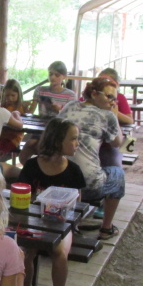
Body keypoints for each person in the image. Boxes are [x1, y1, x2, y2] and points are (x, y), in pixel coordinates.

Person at [17, 118, 85, 286]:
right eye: (73, 139)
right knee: (25, 252)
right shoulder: (32, 166)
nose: (77, 143)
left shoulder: (73, 170)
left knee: (59, 253)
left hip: (61, 224)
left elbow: (77, 206)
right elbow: (22, 197)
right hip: (34, 221)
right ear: (57, 141)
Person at [58, 76, 125, 240]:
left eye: (114, 99)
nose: (112, 102)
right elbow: (118, 142)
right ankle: (106, 228)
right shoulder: (107, 116)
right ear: (94, 94)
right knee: (118, 174)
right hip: (88, 186)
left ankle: (74, 221)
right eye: (109, 97)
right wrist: (115, 116)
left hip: (56, 179)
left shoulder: (70, 106)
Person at [97, 68, 134, 169]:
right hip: (96, 139)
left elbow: (130, 120)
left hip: (111, 142)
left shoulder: (120, 97)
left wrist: (113, 111)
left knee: (113, 166)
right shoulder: (93, 97)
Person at [0, 79, 28, 161]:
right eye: (7, 95)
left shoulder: (21, 107)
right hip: (3, 135)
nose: (10, 98)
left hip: (15, 136)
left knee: (4, 149)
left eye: (13, 95)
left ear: (18, 94)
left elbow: (27, 117)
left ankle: (1, 157)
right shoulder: (2, 106)